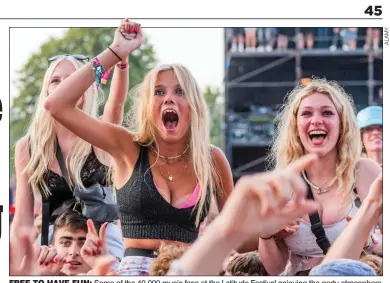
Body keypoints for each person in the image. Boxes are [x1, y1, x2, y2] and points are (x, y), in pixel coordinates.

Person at [44, 19, 233, 275]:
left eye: (180, 91)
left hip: (189, 270)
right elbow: (56, 105)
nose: (169, 98)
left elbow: (238, 235)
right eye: (158, 92)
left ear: (194, 106)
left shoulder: (211, 159)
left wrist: (269, 231)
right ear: (147, 107)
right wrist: (116, 51)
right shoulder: (128, 147)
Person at [11, 34, 130, 264]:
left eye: (73, 79)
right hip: (54, 242)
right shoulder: (28, 146)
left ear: (86, 89)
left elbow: (116, 104)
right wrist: (14, 265)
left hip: (101, 240)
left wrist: (122, 58)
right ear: (46, 90)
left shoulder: (100, 134)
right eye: (56, 80)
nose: (64, 85)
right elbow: (23, 220)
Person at [257, 78, 382, 275]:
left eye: (327, 113)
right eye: (306, 113)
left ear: (342, 124)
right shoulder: (281, 184)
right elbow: (275, 269)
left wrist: (376, 246)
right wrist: (265, 234)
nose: (316, 120)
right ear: (295, 127)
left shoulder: (366, 172)